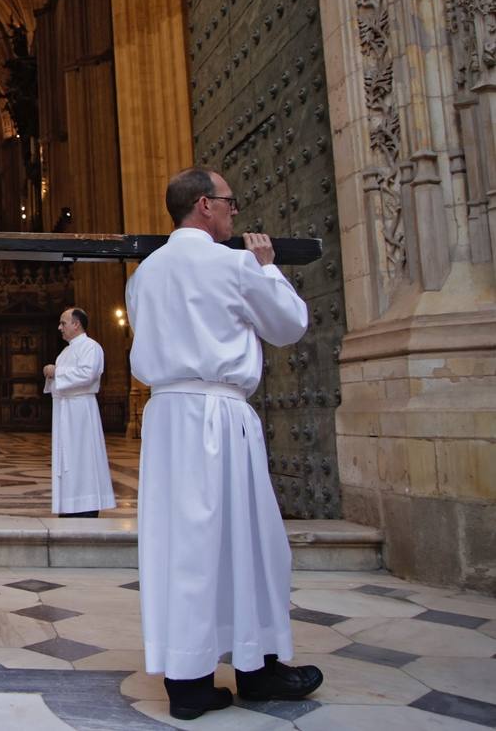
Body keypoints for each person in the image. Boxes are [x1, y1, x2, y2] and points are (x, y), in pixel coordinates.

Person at [126, 167, 323, 720]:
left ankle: (194, 674)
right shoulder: (234, 263)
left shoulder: (145, 273)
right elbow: (289, 325)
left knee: (182, 547)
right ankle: (250, 669)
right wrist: (267, 267)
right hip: (217, 415)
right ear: (204, 206)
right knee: (248, 541)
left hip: (167, 417)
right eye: (230, 202)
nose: (237, 212)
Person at [43, 307, 115, 518]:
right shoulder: (66, 351)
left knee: (84, 457)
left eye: (63, 323)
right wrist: (52, 375)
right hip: (66, 410)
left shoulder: (91, 347)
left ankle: (86, 504)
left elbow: (88, 374)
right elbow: (58, 383)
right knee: (69, 460)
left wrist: (56, 372)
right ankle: (69, 504)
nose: (60, 327)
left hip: (81, 411)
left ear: (76, 324)